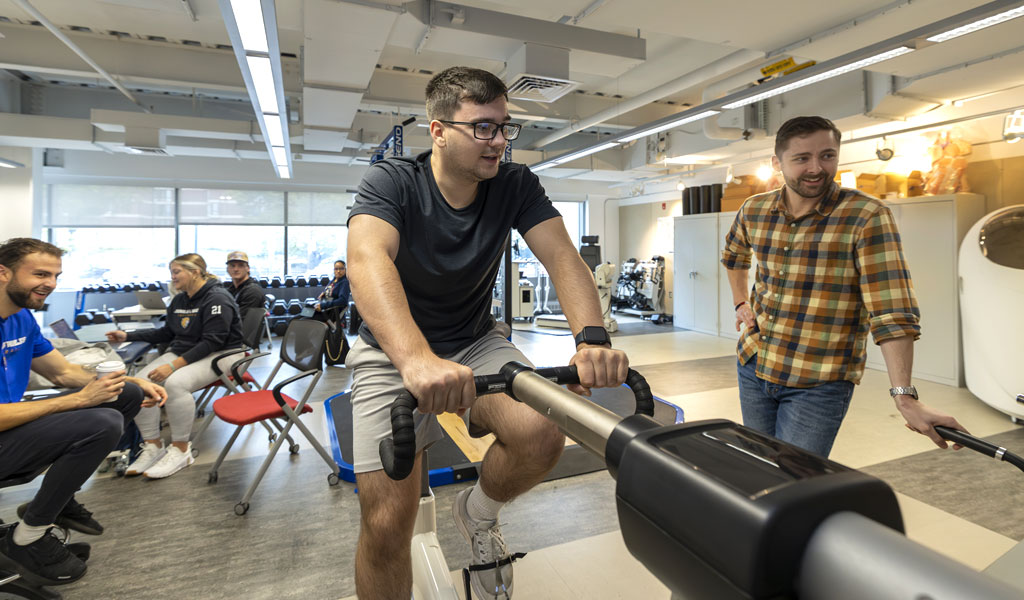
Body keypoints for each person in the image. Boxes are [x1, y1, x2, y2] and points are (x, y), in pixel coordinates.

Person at [346, 66, 629, 600]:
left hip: (475, 340)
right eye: (482, 127)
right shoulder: (392, 182)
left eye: (504, 127)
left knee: (542, 433)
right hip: (392, 353)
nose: (498, 141)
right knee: (386, 526)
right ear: (437, 130)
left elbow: (562, 256)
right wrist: (415, 360)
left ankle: (477, 513)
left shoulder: (514, 184)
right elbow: (366, 259)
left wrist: (592, 338)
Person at [721, 115, 966, 458]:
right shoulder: (755, 209)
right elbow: (734, 256)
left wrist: (905, 395)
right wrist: (739, 302)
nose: (816, 168)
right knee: (758, 464)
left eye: (827, 155)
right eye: (802, 158)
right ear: (777, 163)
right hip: (755, 363)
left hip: (819, 380)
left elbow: (891, 309)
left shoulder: (866, 216)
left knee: (795, 479)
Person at [0, 238, 165, 586]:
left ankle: (52, 505)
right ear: (3, 273)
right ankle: (26, 539)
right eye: (41, 274)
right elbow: (71, 393)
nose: (51, 284)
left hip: (9, 429)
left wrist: (129, 380)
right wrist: (76, 400)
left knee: (125, 395)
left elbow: (63, 372)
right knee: (101, 421)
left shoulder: (20, 319)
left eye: (56, 275)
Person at [106, 253, 243, 479]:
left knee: (175, 383)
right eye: (172, 272)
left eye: (177, 271)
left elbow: (213, 341)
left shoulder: (217, 298)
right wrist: (127, 334)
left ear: (195, 272)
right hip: (186, 352)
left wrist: (172, 367)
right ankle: (153, 445)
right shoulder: (180, 299)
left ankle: (181, 449)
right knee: (138, 385)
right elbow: (166, 333)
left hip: (224, 354)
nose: (172, 277)